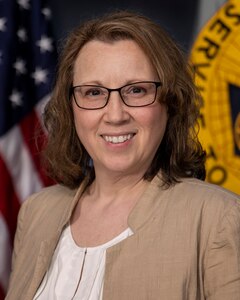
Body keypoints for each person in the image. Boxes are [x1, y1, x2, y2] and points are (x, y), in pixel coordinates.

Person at [6, 10, 240, 300]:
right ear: (71, 108)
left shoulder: (219, 217)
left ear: (170, 102)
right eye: (93, 92)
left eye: (137, 90)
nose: (115, 115)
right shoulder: (37, 211)